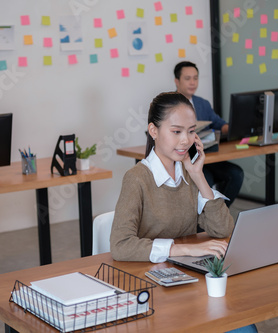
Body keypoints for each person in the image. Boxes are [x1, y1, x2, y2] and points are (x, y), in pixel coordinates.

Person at [110, 92, 257, 333]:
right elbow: (121, 245)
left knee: (243, 327)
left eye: (191, 131)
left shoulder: (188, 173)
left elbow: (223, 228)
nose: (185, 140)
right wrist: (185, 249)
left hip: (186, 278)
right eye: (176, 131)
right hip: (151, 286)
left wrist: (199, 176)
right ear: (153, 131)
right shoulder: (136, 178)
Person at [174, 61, 244, 207]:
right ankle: (202, 223)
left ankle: (219, 215)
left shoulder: (202, 103)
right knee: (208, 180)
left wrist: (234, 128)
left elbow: (218, 123)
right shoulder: (170, 105)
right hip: (185, 159)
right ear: (177, 81)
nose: (193, 82)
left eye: (195, 78)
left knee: (236, 174)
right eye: (187, 78)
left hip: (207, 156)